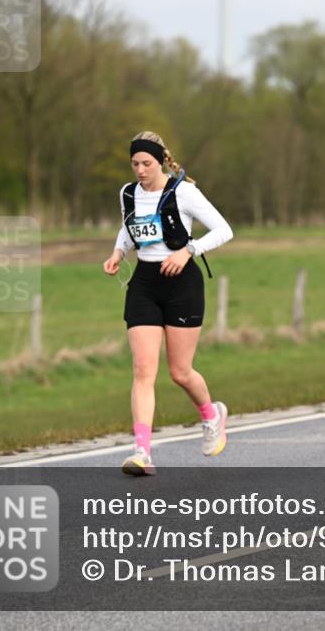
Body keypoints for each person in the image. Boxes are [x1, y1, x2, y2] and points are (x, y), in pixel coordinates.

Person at [103, 131, 234, 475]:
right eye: (135, 164)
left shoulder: (184, 192)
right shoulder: (128, 193)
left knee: (180, 372)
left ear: (160, 161)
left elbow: (224, 230)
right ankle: (142, 452)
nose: (140, 171)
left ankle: (211, 415)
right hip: (144, 284)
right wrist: (118, 252)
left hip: (182, 285)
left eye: (146, 163)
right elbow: (128, 228)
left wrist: (188, 250)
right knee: (143, 369)